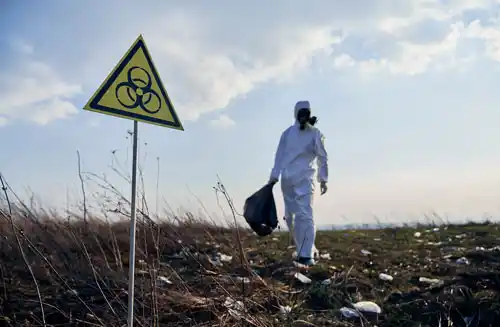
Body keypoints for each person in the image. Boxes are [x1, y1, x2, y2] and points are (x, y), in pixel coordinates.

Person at [268, 100, 328, 267]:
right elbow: (279, 156)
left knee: (305, 214)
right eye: (300, 113)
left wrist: (323, 178)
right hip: (288, 181)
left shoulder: (315, 133)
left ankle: (306, 254)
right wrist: (274, 176)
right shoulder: (287, 134)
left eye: (305, 113)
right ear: (296, 114)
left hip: (306, 179)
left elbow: (322, 156)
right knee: (291, 217)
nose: (303, 116)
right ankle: (302, 248)